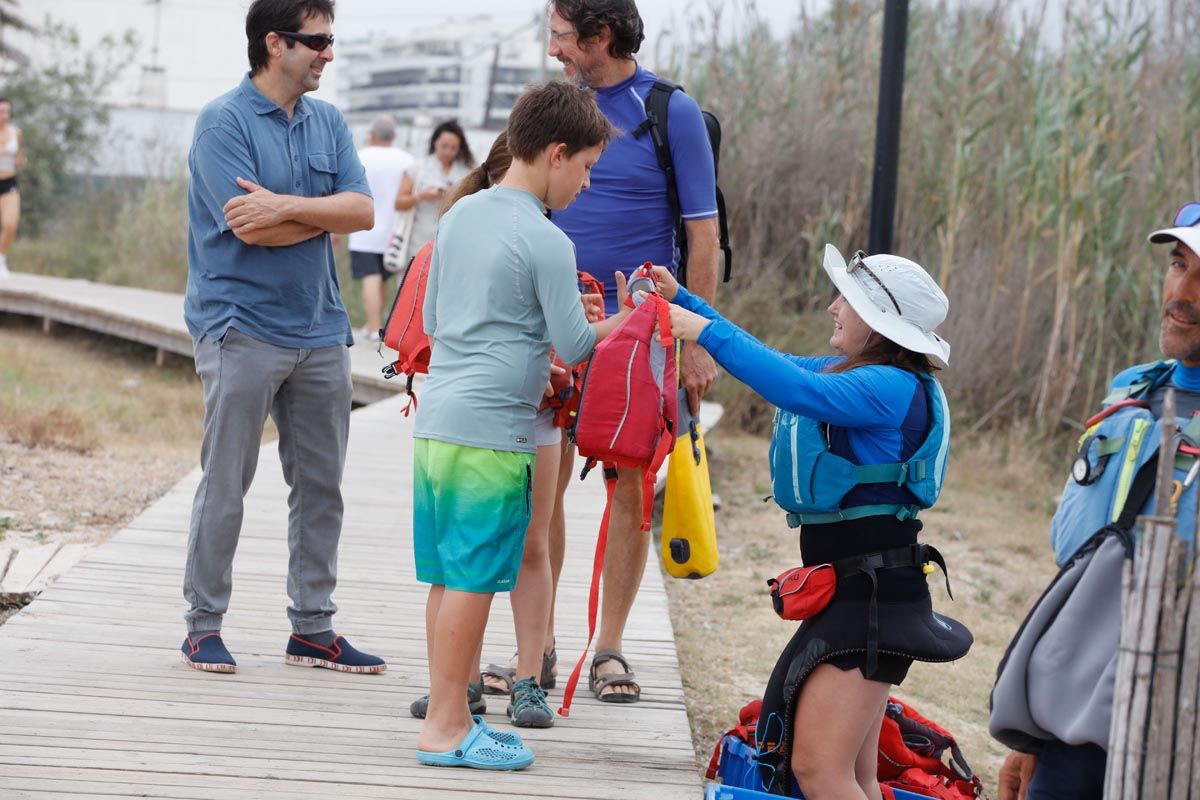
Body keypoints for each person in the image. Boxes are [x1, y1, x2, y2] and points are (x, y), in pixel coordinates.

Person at [652, 246, 970, 799]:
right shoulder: (865, 374)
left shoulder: (888, 388)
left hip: (870, 604)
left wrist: (700, 330)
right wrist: (686, 301)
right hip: (862, 594)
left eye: (844, 299)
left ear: (877, 323)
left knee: (820, 772)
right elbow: (768, 361)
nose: (832, 308)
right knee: (857, 777)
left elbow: (797, 390)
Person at [411, 80, 630, 771]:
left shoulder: (459, 215)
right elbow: (575, 346)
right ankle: (447, 730)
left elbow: (438, 319)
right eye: (588, 167)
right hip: (492, 433)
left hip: (440, 421)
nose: (587, 185)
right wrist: (639, 315)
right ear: (557, 153)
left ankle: (449, 710)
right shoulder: (544, 239)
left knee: (449, 574)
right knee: (476, 579)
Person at [180, 0, 385, 675]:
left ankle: (313, 630)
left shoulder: (327, 122)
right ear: (275, 43)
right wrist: (313, 218)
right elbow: (249, 227)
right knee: (227, 482)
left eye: (330, 40)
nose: (329, 53)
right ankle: (203, 625)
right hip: (240, 325)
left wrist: (289, 206)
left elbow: (361, 211)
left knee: (322, 486)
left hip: (321, 330)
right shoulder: (223, 124)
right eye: (317, 41)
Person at [540, 0, 721, 704]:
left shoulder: (668, 110)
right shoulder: (552, 106)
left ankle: (609, 644)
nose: (553, 49)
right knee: (541, 486)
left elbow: (703, 237)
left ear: (600, 37)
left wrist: (697, 337)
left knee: (629, 491)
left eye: (561, 36)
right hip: (557, 324)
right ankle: (541, 640)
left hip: (642, 330)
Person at [993, 205, 1200, 800]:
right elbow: (1081, 580)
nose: (1180, 293)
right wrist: (1036, 736)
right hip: (1077, 725)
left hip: (1176, 730)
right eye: (1176, 264)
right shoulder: (1131, 394)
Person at [348, 115, 412, 341]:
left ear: (371, 135)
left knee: (370, 277)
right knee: (384, 278)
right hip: (394, 231)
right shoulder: (407, 160)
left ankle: (374, 326)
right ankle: (377, 325)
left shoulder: (359, 157)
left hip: (363, 228)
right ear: (394, 136)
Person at [394, 120, 473, 260]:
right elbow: (398, 203)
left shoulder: (466, 173)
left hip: (452, 244)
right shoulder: (417, 168)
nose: (448, 152)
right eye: (444, 146)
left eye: (453, 148)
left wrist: (453, 197)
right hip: (418, 243)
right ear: (435, 142)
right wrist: (420, 196)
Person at [0, 97, 25, 279]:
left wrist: (20, 160)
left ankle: (1, 258)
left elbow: (18, 156)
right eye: (1, 111)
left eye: (7, 111)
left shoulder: (16, 132)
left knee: (10, 224)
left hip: (9, 181)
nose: (4, 115)